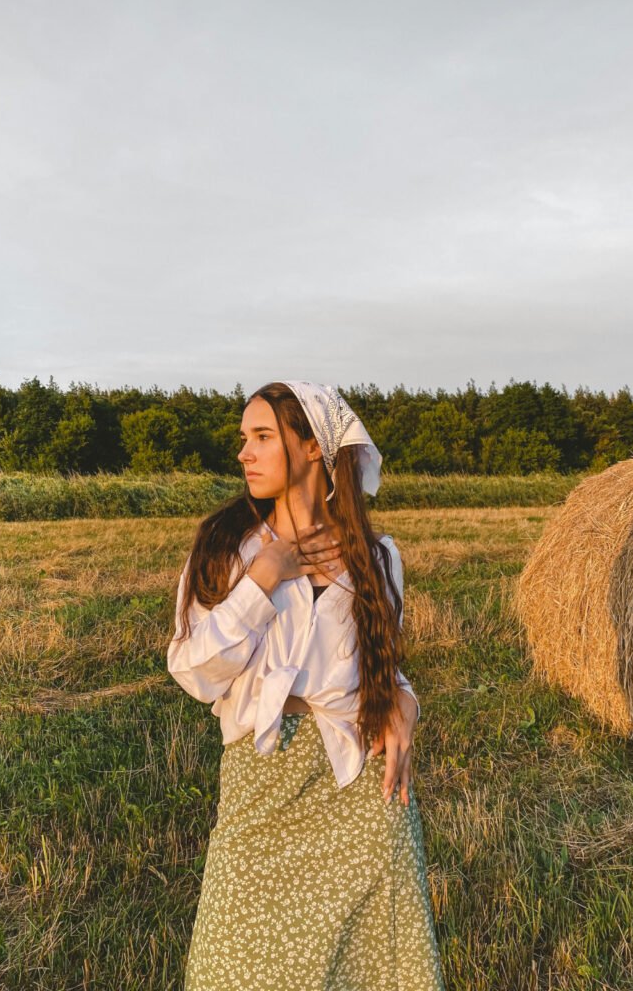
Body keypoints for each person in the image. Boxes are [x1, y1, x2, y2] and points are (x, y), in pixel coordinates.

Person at [168, 380, 446, 991]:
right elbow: (193, 673)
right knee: (235, 967)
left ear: (314, 448)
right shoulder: (228, 549)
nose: (245, 452)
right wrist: (259, 584)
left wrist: (404, 704)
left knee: (374, 968)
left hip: (360, 790)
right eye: (244, 438)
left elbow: (386, 668)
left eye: (263, 437)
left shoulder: (377, 557)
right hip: (262, 782)